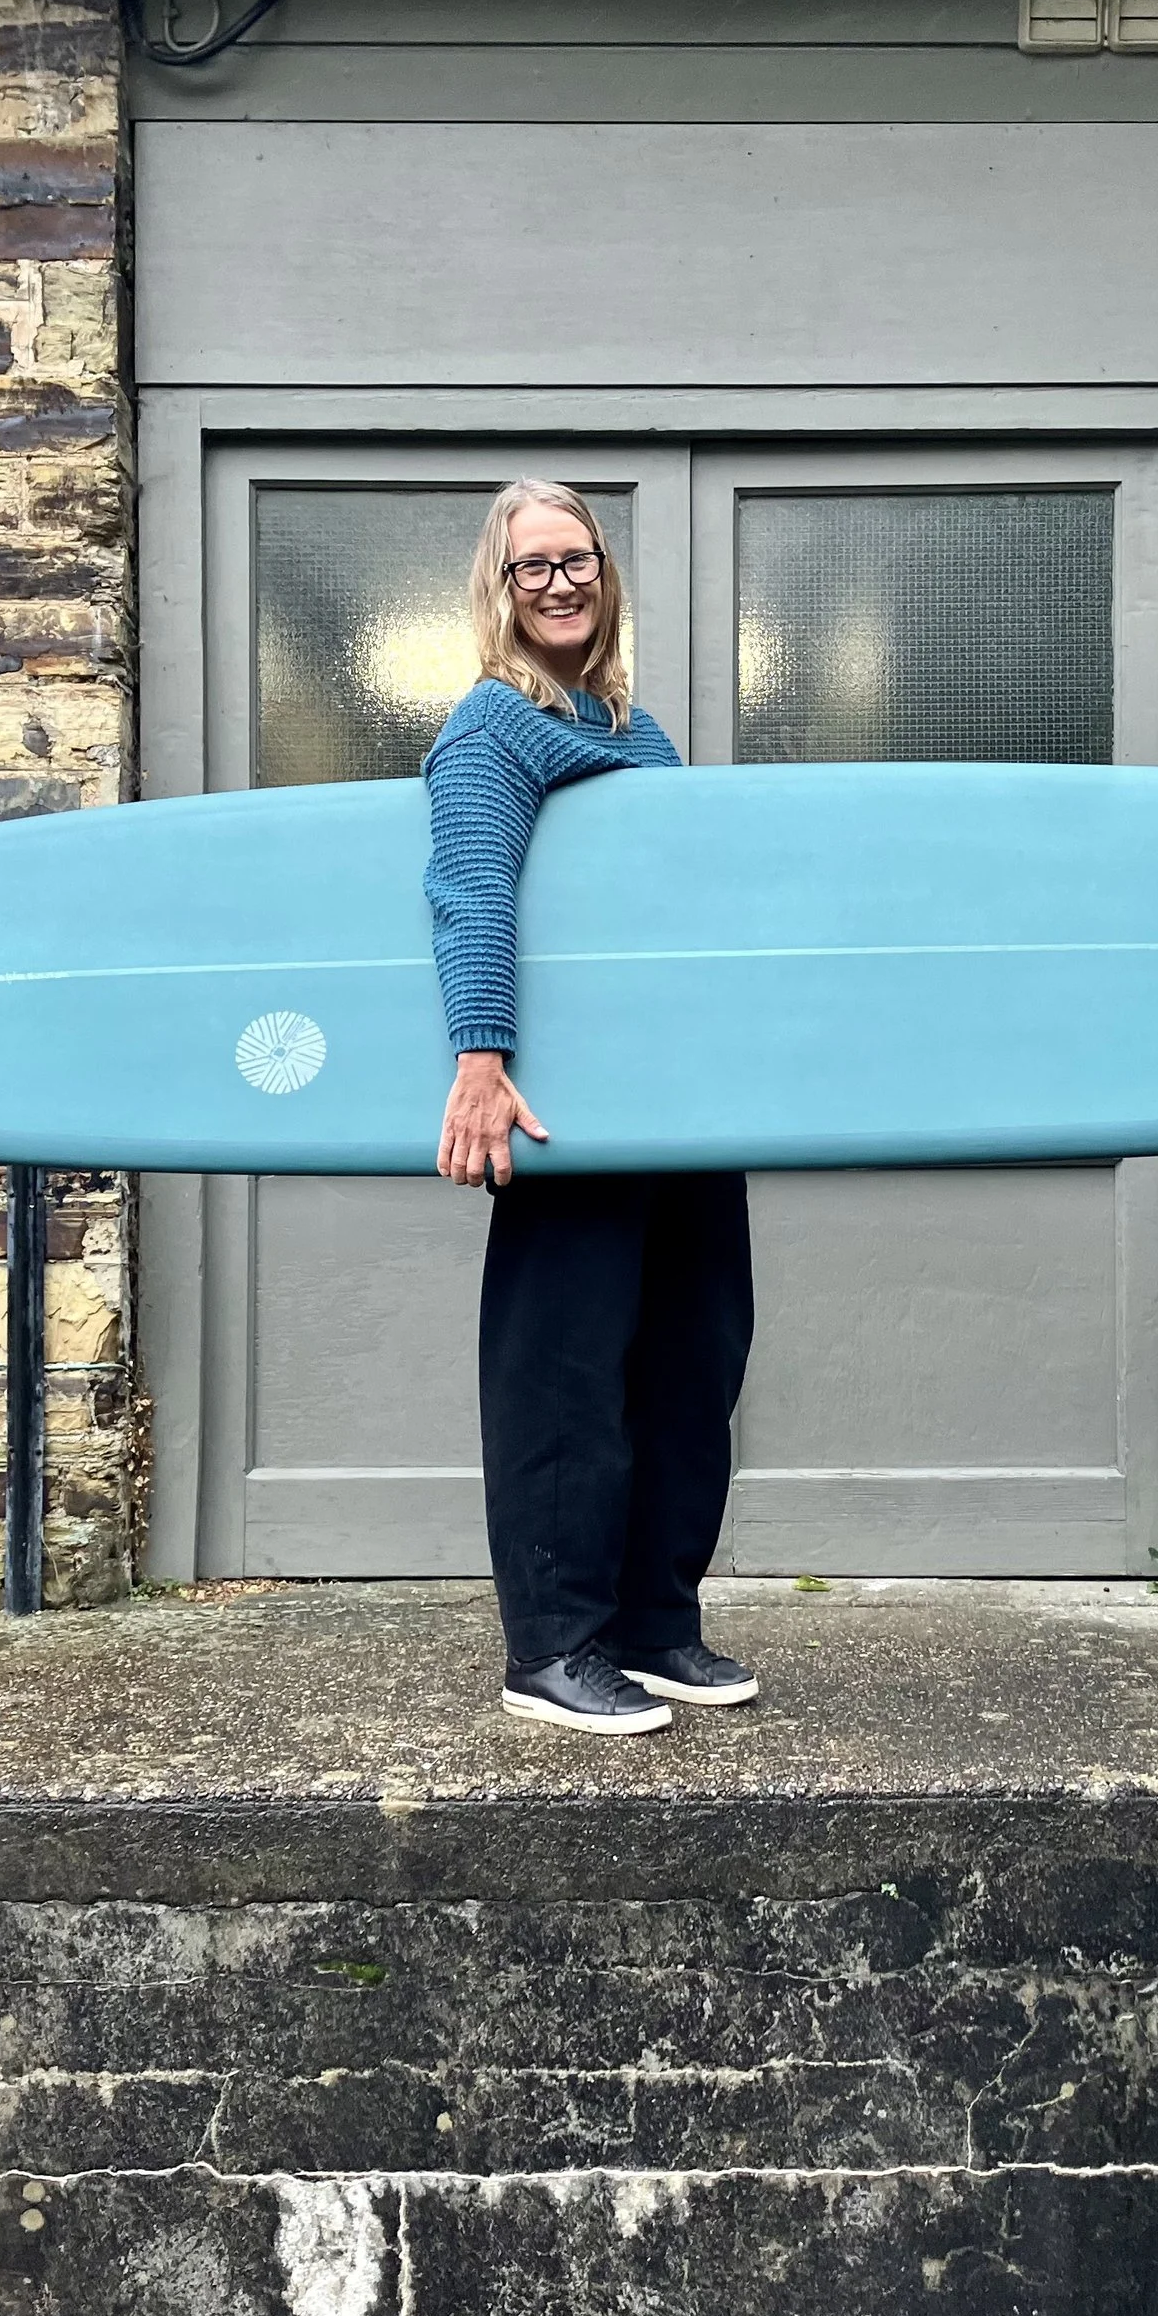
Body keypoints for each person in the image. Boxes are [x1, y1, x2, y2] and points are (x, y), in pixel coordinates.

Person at [422, 479, 758, 1737]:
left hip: (679, 1104)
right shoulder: (493, 727)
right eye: (531, 567)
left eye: (578, 560)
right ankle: (552, 1646)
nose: (559, 582)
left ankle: (653, 1623)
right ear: (498, 591)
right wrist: (480, 1058)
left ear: (604, 575)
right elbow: (468, 889)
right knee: (564, 1377)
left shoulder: (636, 729)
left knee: (691, 1362)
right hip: (564, 1109)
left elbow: (670, 910)